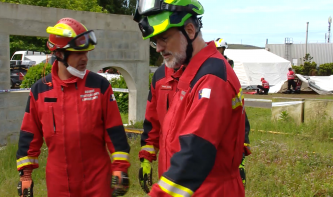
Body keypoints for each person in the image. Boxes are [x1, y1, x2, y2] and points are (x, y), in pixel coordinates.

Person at [134, 0, 246, 196]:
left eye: (164, 38)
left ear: (190, 30)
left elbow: (194, 154)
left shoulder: (211, 78)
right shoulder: (187, 72)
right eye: (155, 41)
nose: (159, 48)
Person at [15, 18, 130, 197]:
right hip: (59, 182)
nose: (85, 58)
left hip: (97, 179)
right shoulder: (40, 90)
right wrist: (25, 176)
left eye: (86, 53)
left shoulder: (99, 86)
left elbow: (114, 129)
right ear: (60, 54)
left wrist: (120, 168)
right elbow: (30, 134)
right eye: (78, 53)